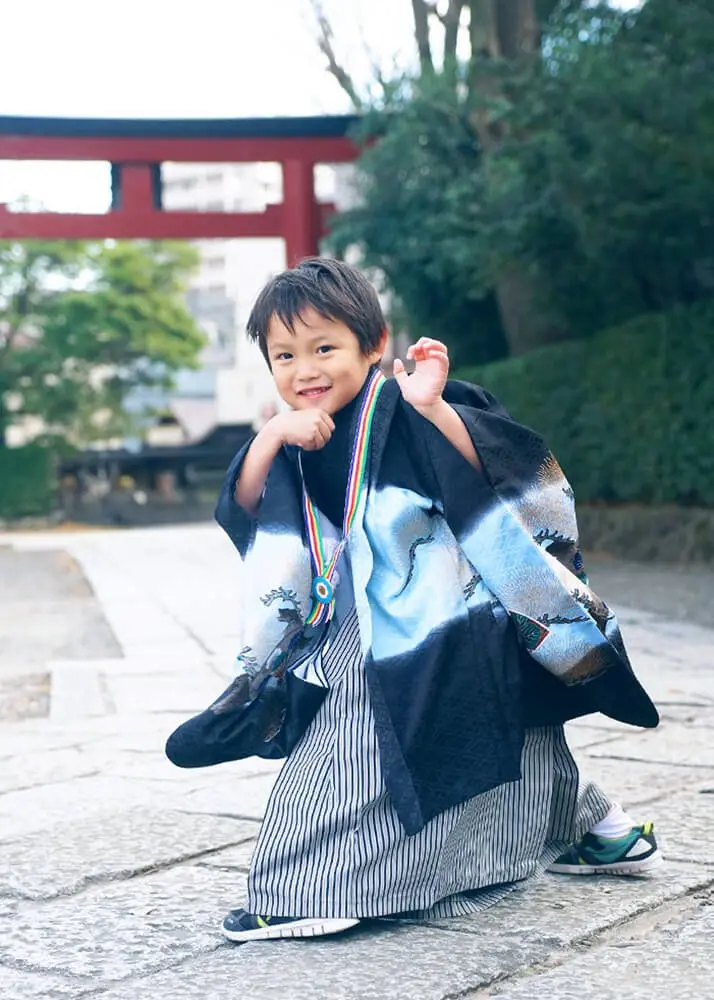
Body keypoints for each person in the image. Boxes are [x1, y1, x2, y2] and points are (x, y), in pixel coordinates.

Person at [214, 257, 661, 944]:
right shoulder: (298, 435)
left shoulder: (411, 396)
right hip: (369, 615)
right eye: (285, 354)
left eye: (324, 347)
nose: (305, 369)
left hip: (457, 602)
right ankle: (593, 825)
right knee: (491, 732)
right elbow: (246, 509)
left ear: (374, 343)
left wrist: (431, 405)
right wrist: (272, 435)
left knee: (377, 737)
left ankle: (305, 886)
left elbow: (496, 464)